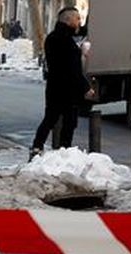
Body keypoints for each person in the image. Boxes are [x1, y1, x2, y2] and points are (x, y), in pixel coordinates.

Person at [31, 7, 92, 157]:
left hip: (55, 87)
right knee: (68, 123)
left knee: (50, 119)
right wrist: (85, 87)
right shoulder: (65, 40)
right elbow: (73, 69)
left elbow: (80, 32)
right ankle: (64, 152)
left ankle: (37, 147)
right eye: (77, 19)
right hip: (66, 89)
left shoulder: (55, 37)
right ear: (68, 20)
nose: (79, 22)